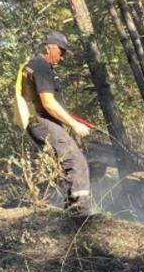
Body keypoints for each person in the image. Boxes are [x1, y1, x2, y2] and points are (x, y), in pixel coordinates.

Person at [19, 32, 93, 215]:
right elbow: (48, 103)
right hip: (41, 121)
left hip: (38, 121)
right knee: (75, 160)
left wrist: (70, 119)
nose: (62, 57)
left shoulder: (37, 66)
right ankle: (80, 211)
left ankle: (69, 209)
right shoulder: (40, 66)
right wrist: (74, 125)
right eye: (61, 51)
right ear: (49, 47)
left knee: (64, 163)